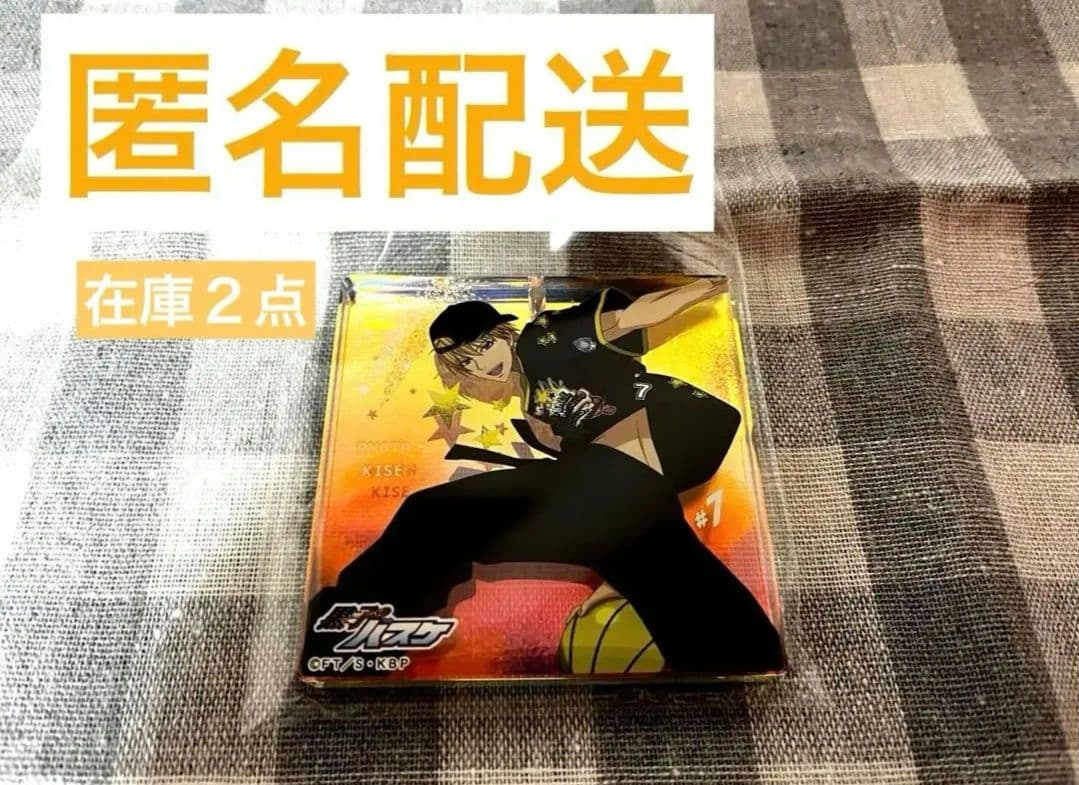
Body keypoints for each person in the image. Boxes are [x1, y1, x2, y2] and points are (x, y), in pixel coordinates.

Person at [304, 280, 783, 674]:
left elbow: (631, 317)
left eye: (485, 345)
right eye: (467, 360)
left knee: (436, 514)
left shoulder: (543, 338)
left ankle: (351, 623)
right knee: (656, 561)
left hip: (667, 431)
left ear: (504, 335)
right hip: (618, 482)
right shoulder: (536, 410)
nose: (482, 362)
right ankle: (745, 655)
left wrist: (704, 287)